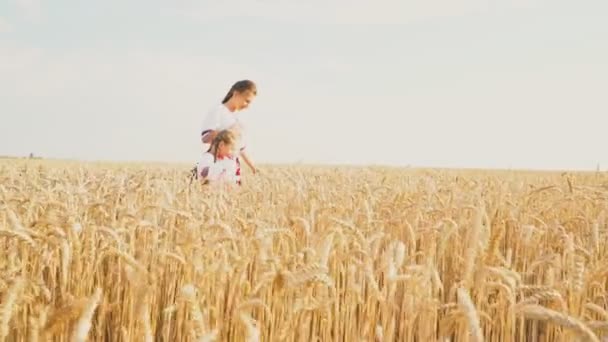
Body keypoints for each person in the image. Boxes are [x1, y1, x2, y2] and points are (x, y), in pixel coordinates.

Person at [199, 80, 259, 176]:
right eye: (247, 101)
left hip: (232, 169)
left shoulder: (239, 118)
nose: (248, 106)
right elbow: (205, 138)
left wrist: (253, 168)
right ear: (236, 94)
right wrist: (229, 131)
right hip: (216, 168)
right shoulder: (217, 111)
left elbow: (240, 147)